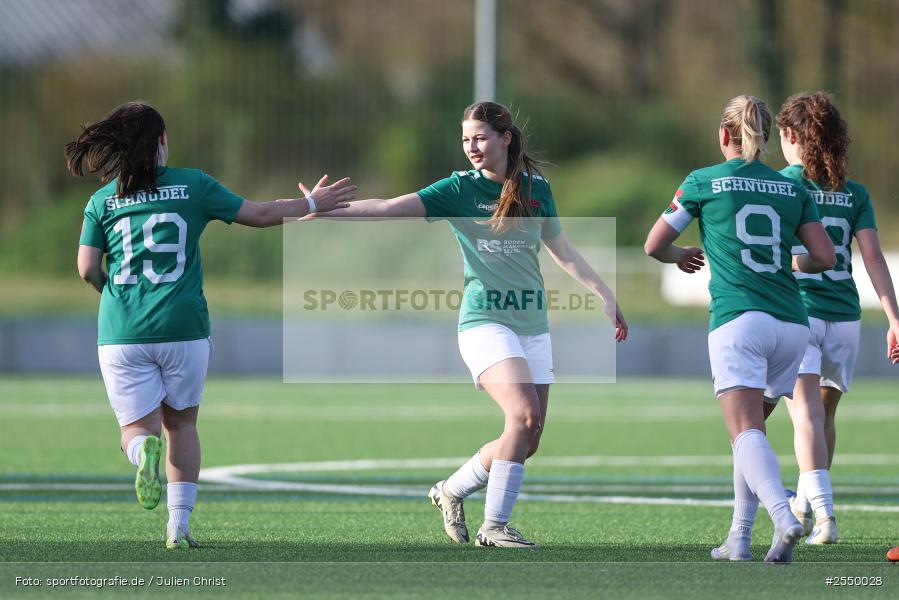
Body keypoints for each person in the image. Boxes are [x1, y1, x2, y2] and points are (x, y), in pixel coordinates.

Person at [304, 101, 627, 548]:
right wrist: (322, 209)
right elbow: (389, 206)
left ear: (505, 139)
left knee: (528, 438)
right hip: (484, 322)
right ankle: (494, 527)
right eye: (465, 140)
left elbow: (563, 250)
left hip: (532, 323)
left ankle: (451, 489)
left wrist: (605, 294)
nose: (471, 147)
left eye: (480, 138)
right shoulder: (459, 188)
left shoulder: (537, 189)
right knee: (523, 415)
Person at [68, 101, 354, 549]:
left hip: (122, 331)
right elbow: (259, 214)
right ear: (162, 140)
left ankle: (142, 454)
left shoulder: (102, 201)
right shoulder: (193, 184)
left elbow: (87, 267)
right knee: (182, 426)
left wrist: (112, 295)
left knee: (135, 430)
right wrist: (312, 202)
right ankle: (178, 529)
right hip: (184, 327)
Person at [644, 95, 835, 563]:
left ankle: (784, 516)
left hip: (739, 320)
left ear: (724, 134)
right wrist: (789, 263)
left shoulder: (703, 180)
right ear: (765, 136)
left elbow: (654, 245)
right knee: (751, 435)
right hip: (792, 325)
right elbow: (825, 257)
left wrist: (680, 256)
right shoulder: (792, 188)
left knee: (745, 431)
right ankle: (739, 537)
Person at [774, 92, 899, 545]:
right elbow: (873, 259)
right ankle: (804, 507)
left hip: (801, 311)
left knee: (804, 417)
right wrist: (894, 318)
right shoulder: (854, 192)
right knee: (824, 418)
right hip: (846, 317)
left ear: (791, 135)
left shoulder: (782, 184)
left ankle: (825, 518)